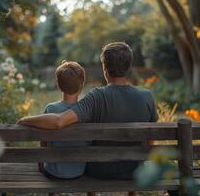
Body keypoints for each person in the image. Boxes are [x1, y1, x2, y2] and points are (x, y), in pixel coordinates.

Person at [18, 42, 158, 181]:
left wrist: (25, 119)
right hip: (136, 171)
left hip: (100, 170)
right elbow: (150, 141)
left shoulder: (96, 96)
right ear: (129, 66)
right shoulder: (147, 96)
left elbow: (60, 121)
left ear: (105, 68)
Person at [21, 61, 88, 179]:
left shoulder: (51, 109)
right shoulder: (86, 111)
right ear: (82, 85)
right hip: (79, 171)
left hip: (54, 172)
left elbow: (43, 142)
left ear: (58, 85)